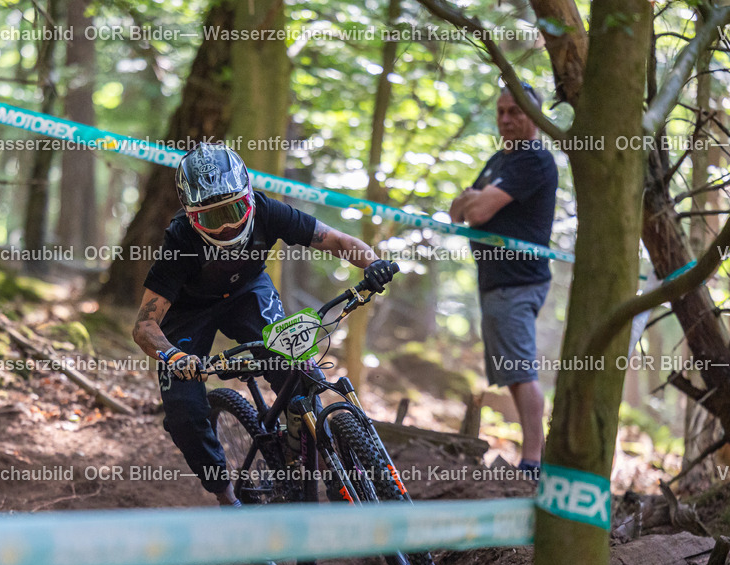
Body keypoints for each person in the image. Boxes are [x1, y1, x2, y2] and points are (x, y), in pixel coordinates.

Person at [132, 142, 396, 506]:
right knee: (184, 414)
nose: (225, 226)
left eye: (234, 210)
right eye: (211, 217)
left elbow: (337, 240)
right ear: (192, 217)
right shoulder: (180, 239)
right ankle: (228, 499)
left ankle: (316, 462)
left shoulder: (268, 210)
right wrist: (175, 357)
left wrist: (372, 264)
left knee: (300, 372)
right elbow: (145, 326)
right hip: (189, 311)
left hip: (248, 294)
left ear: (249, 200)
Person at [449, 84, 558, 479]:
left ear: (534, 114)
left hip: (518, 282)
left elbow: (475, 212)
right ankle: (532, 458)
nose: (507, 119)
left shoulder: (533, 160)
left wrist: (474, 199)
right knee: (512, 372)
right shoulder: (501, 159)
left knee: (522, 370)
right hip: (495, 283)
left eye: (515, 111)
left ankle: (532, 462)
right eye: (501, 112)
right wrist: (472, 198)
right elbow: (455, 210)